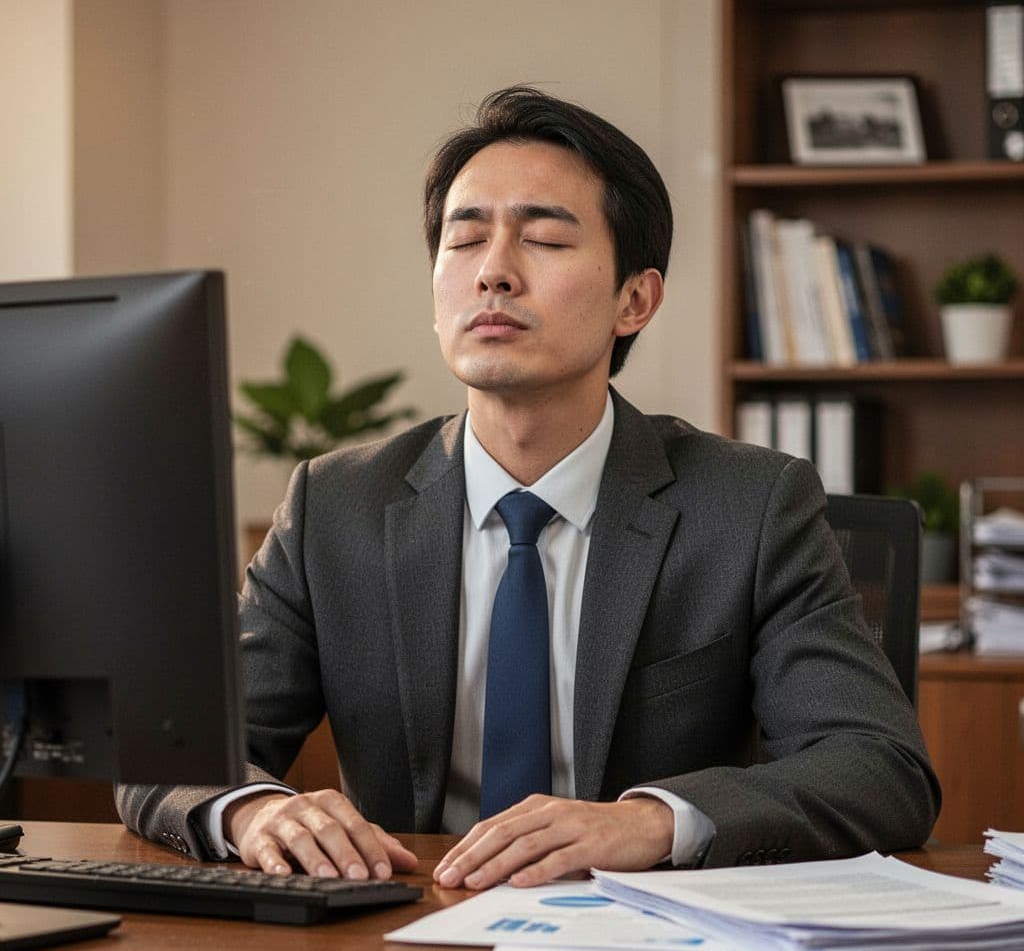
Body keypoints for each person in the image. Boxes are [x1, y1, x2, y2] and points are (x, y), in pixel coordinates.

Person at [116, 86, 940, 890]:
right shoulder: (337, 507)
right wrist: (254, 811)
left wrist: (651, 821)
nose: (494, 274)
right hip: (409, 931)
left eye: (543, 240)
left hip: (655, 946)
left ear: (635, 299)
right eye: (465, 240)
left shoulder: (752, 505)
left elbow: (879, 768)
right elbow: (170, 754)